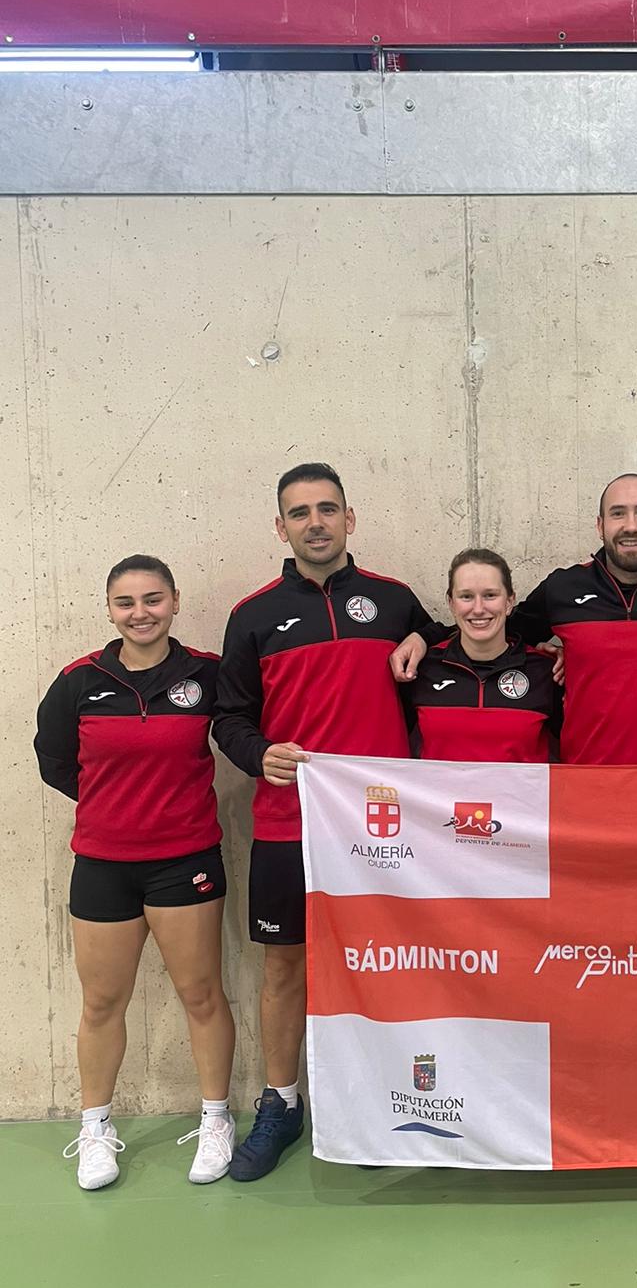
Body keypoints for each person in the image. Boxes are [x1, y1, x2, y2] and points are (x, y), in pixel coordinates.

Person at [213, 463, 432, 1181]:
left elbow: (455, 651)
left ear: (349, 519)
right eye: (300, 512)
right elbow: (229, 716)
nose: (315, 522)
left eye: (327, 509)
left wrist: (425, 642)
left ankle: (382, 1102)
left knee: (391, 963)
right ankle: (282, 1102)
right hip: (289, 823)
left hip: (386, 832)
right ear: (281, 527)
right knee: (285, 968)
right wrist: (258, 753)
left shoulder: (396, 603)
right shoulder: (253, 615)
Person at [35, 556, 236, 1190]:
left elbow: (243, 728)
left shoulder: (206, 675)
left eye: (152, 600)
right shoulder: (78, 681)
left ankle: (215, 1119)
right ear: (109, 609)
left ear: (174, 602)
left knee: (201, 995)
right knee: (100, 1002)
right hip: (102, 866)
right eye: (126, 603)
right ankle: (94, 1129)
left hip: (186, 863)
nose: (140, 613)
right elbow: (55, 761)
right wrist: (115, 811)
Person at [393, 472, 637, 764]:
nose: (631, 525)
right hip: (583, 780)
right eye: (618, 513)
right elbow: (497, 624)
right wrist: (425, 636)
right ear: (600, 525)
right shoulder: (564, 588)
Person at [409, 548, 559, 761]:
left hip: (521, 795)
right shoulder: (422, 668)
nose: (478, 609)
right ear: (451, 603)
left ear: (509, 602)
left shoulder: (546, 671)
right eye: (466, 596)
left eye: (490, 595)